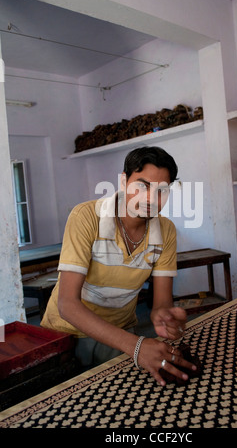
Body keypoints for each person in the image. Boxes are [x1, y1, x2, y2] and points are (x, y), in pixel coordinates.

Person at [41, 146, 197, 386]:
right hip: (66, 334)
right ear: (123, 182)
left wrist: (165, 317)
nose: (150, 199)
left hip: (120, 332)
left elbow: (161, 304)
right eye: (142, 186)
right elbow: (67, 305)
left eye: (161, 191)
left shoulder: (165, 231)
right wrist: (136, 347)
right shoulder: (86, 217)